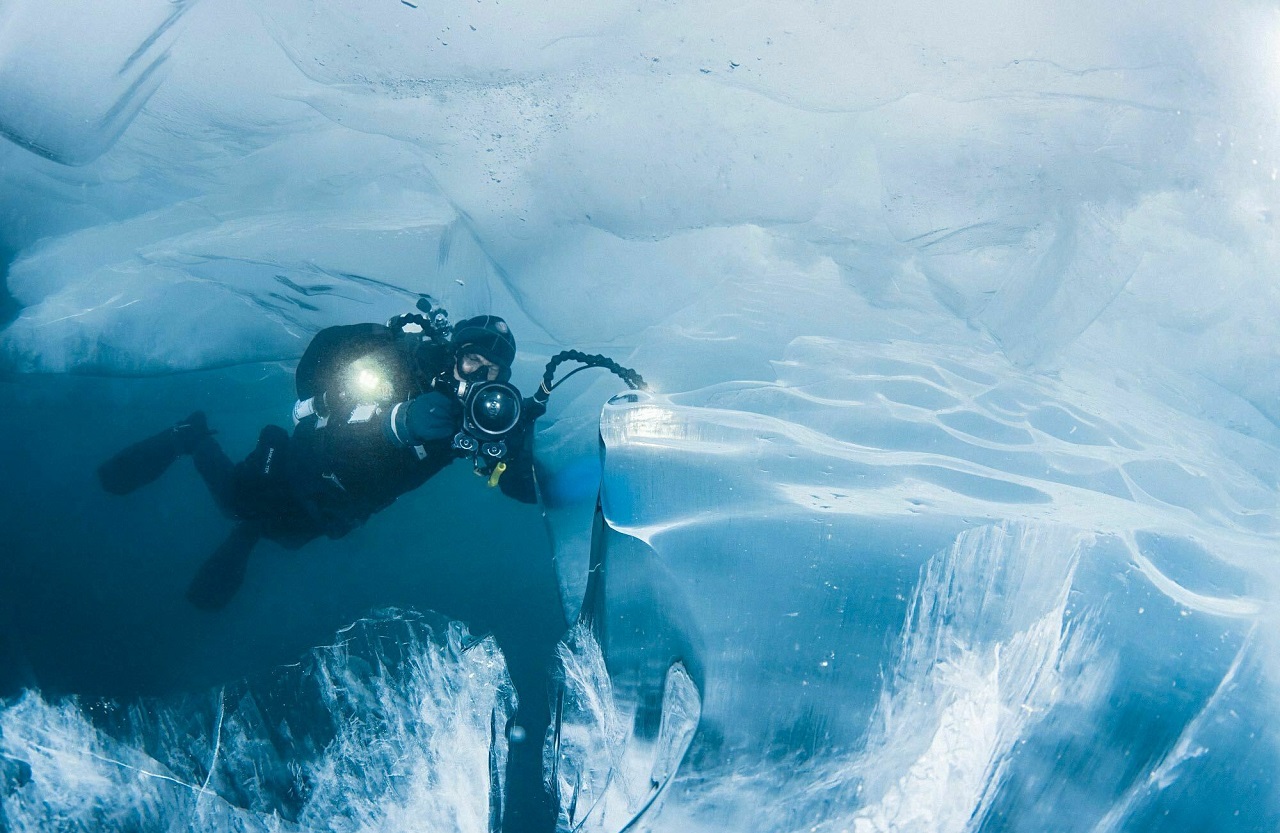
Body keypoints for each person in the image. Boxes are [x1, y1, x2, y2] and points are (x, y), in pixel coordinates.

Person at [98, 306, 545, 611]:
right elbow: (321, 409)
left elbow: (515, 484)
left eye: (492, 372)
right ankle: (191, 437)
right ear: (454, 353)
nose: (480, 378)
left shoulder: (480, 417)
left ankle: (252, 534)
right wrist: (397, 419)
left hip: (338, 506)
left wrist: (518, 445)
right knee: (235, 501)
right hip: (298, 465)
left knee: (284, 536)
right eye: (472, 361)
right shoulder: (402, 364)